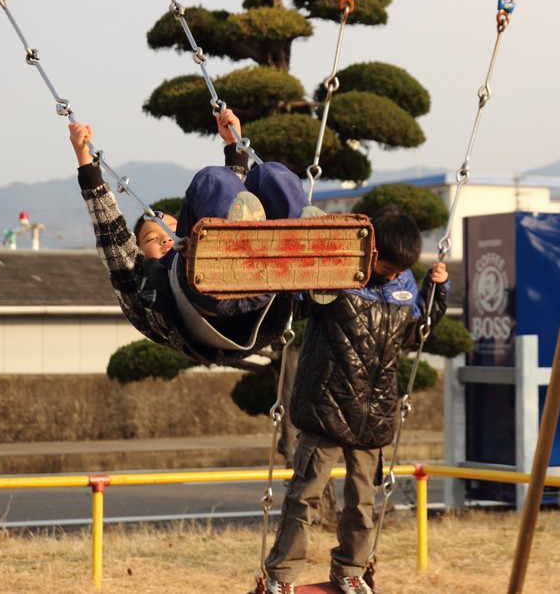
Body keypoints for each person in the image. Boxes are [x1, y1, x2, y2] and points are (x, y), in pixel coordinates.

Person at [263, 207, 449, 594]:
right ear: (371, 248)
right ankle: (281, 576)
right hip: (325, 406)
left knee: (363, 504)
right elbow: (298, 304)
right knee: (304, 497)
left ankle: (350, 568)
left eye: (401, 268)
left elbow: (415, 335)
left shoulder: (406, 287)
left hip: (374, 413)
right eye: (388, 264)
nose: (393, 273)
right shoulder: (337, 273)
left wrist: (436, 291)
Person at [69, 109, 312, 364]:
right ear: (138, 251)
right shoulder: (139, 276)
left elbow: (236, 206)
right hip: (203, 298)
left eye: (173, 232)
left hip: (260, 287)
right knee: (210, 179)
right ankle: (243, 247)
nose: (166, 239)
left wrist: (234, 145)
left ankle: (311, 242)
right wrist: (86, 164)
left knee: (270, 174)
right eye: (152, 238)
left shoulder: (191, 237)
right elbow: (110, 233)